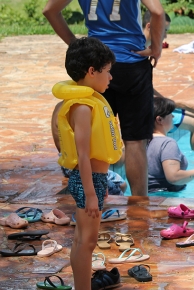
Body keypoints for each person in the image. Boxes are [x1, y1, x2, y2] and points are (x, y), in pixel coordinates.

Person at [43, 0, 166, 197]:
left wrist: (77, 45)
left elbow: (50, 10)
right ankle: (138, 206)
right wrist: (156, 48)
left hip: (95, 66)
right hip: (132, 63)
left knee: (88, 133)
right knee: (135, 141)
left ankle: (91, 196)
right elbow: (158, 12)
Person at [57, 37, 119, 290]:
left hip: (93, 179)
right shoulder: (82, 107)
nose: (111, 76)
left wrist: (98, 187)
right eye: (107, 70)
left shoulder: (89, 101)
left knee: (83, 238)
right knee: (87, 241)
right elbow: (82, 155)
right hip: (87, 179)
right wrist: (92, 193)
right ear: (92, 71)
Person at [141, 11, 194, 152]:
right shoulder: (140, 54)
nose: (166, 36)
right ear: (150, 26)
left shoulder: (146, 51)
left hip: (151, 103)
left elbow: (148, 88)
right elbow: (144, 94)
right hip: (146, 110)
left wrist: (170, 101)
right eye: (164, 31)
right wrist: (180, 104)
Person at [51, 102, 127, 195]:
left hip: (67, 165)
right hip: (82, 167)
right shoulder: (83, 109)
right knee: (121, 185)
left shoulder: (60, 106)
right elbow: (84, 153)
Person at [148, 97, 194, 193]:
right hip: (166, 197)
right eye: (171, 114)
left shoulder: (142, 141)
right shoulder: (168, 144)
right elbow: (174, 177)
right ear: (159, 120)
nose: (173, 117)